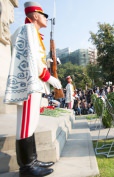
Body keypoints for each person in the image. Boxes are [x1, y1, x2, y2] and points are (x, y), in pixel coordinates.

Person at [3, 2, 61, 176]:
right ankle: (27, 166)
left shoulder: (31, 32)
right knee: (26, 124)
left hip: (33, 83)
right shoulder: (28, 30)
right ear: (35, 15)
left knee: (30, 123)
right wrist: (49, 77)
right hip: (30, 84)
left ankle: (32, 160)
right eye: (44, 15)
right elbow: (34, 61)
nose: (45, 18)